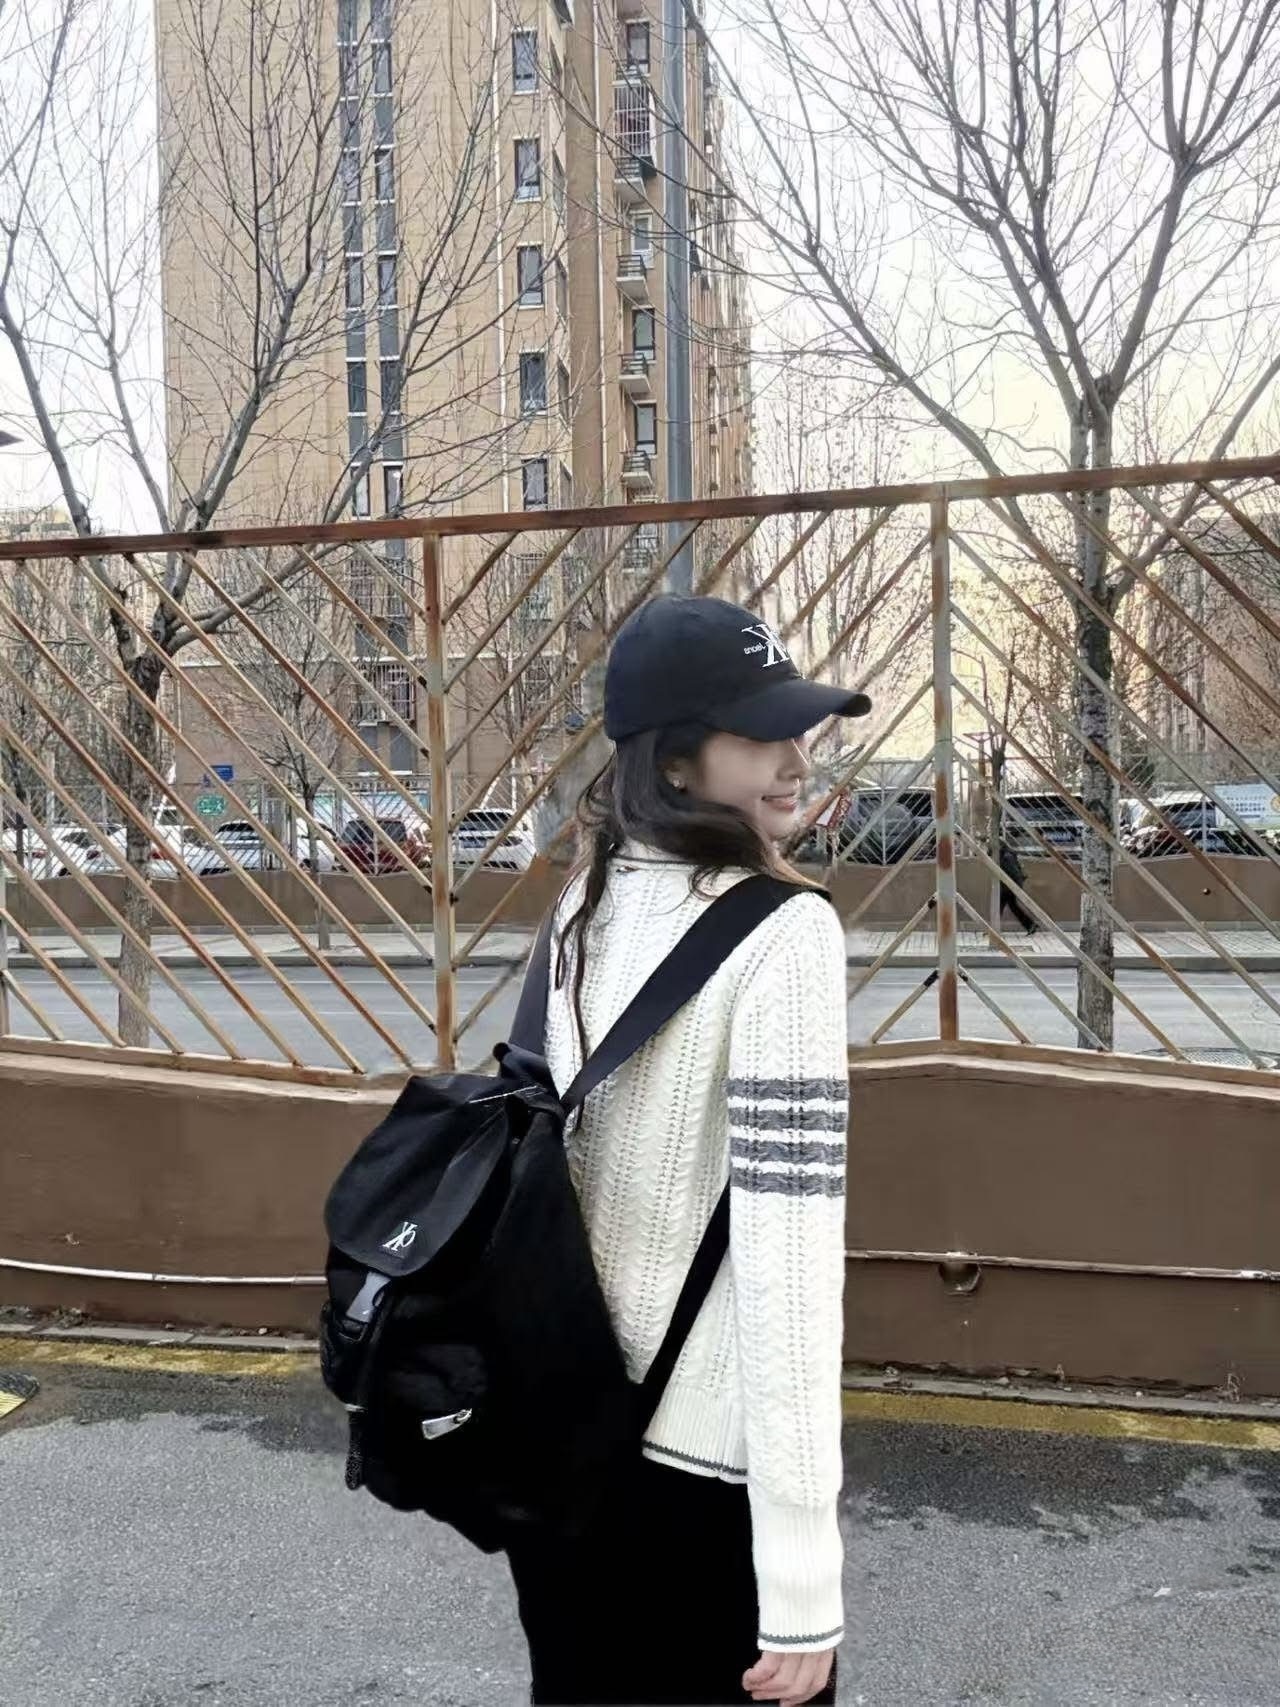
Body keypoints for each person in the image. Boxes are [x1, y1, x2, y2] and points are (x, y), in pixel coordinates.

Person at [504, 595, 871, 1707]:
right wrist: (800, 1575)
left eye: (799, 729)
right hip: (701, 1479)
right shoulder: (785, 932)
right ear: (672, 763)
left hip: (558, 1440)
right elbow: (788, 1267)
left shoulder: (582, 903)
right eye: (760, 735)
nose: (795, 760)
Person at [997, 837, 1038, 934]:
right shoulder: (1006, 854)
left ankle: (993, 929)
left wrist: (1014, 886)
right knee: (1012, 906)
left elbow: (1014, 872)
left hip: (1009, 886)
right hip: (1009, 885)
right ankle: (1030, 925)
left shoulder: (1006, 856)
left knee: (999, 906)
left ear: (999, 846)